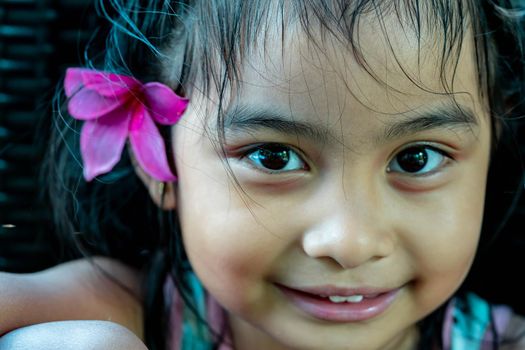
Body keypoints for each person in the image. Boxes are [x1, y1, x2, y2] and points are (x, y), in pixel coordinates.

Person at [1, 0, 525, 349]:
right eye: (273, 157)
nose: (349, 241)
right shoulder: (133, 313)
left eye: (417, 158)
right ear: (159, 163)